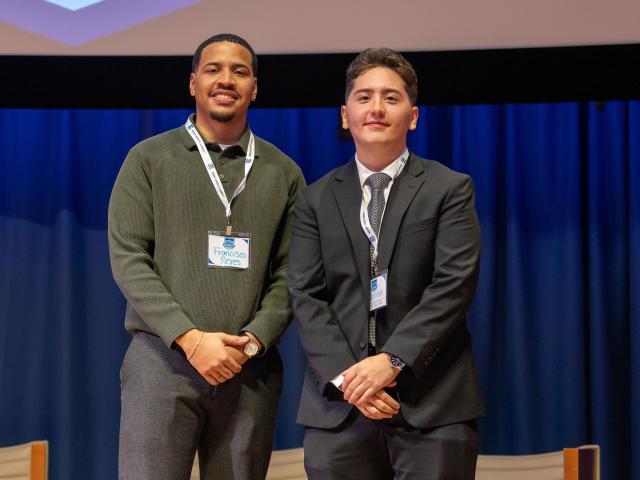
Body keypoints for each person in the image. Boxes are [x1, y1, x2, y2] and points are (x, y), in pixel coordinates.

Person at [108, 33, 305, 480]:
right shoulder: (148, 159)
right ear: (193, 82)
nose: (226, 79)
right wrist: (191, 339)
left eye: (240, 71)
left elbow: (294, 273)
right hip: (161, 362)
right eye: (213, 69)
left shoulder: (284, 172)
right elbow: (129, 259)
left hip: (247, 368)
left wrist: (253, 341)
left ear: (255, 87)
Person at [288, 48, 484, 479]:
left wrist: (392, 360)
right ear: (345, 115)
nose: (376, 108)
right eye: (364, 97)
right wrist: (351, 379)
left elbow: (453, 284)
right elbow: (305, 293)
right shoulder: (314, 199)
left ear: (413, 116)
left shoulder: (449, 189)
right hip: (338, 408)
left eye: (391, 98)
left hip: (432, 405)